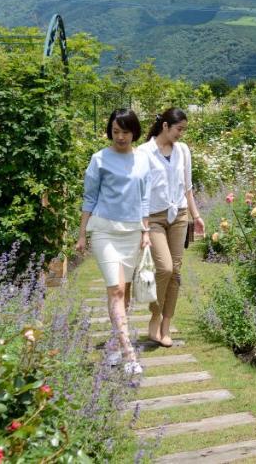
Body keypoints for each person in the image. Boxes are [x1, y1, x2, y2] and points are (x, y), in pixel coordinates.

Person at [76, 108, 151, 373]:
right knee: (116, 289)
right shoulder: (99, 159)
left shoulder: (142, 160)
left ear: (134, 132)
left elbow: (144, 199)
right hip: (104, 231)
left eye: (125, 132)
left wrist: (145, 231)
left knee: (125, 293)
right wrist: (82, 233)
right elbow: (89, 198)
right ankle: (130, 354)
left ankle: (115, 345)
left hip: (132, 231)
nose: (120, 137)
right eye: (115, 131)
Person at [138, 108, 205, 347]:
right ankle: (155, 314)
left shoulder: (183, 151)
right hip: (153, 217)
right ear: (165, 126)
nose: (181, 134)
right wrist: (143, 228)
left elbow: (187, 187)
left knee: (176, 272)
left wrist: (196, 216)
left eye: (183, 130)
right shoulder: (144, 152)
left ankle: (166, 325)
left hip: (179, 216)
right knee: (164, 268)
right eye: (179, 129)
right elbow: (139, 191)